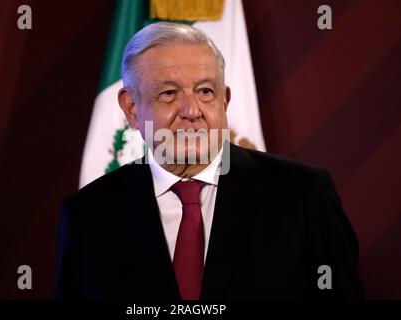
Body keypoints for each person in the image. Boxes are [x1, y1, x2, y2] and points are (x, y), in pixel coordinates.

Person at [56, 22, 364, 299]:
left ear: (224, 100)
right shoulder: (88, 214)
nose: (192, 110)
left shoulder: (302, 194)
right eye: (168, 94)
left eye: (205, 91)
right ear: (131, 109)